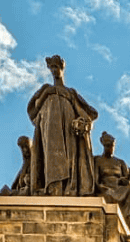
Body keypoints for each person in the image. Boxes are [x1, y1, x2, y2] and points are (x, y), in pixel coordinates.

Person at [27, 54, 97, 197]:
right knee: (52, 156)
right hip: (49, 125)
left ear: (62, 68)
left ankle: (69, 188)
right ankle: (53, 188)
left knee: (69, 156)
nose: (54, 70)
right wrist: (44, 94)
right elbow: (34, 110)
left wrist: (84, 123)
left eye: (56, 67)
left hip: (68, 125)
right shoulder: (45, 89)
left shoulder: (70, 92)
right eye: (51, 67)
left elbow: (83, 112)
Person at [94, 131, 130, 233]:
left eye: (112, 146)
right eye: (108, 146)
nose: (110, 149)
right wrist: (102, 187)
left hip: (120, 187)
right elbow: (95, 179)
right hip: (106, 187)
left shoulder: (120, 162)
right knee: (113, 192)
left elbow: (127, 177)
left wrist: (126, 180)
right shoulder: (97, 160)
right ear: (104, 146)